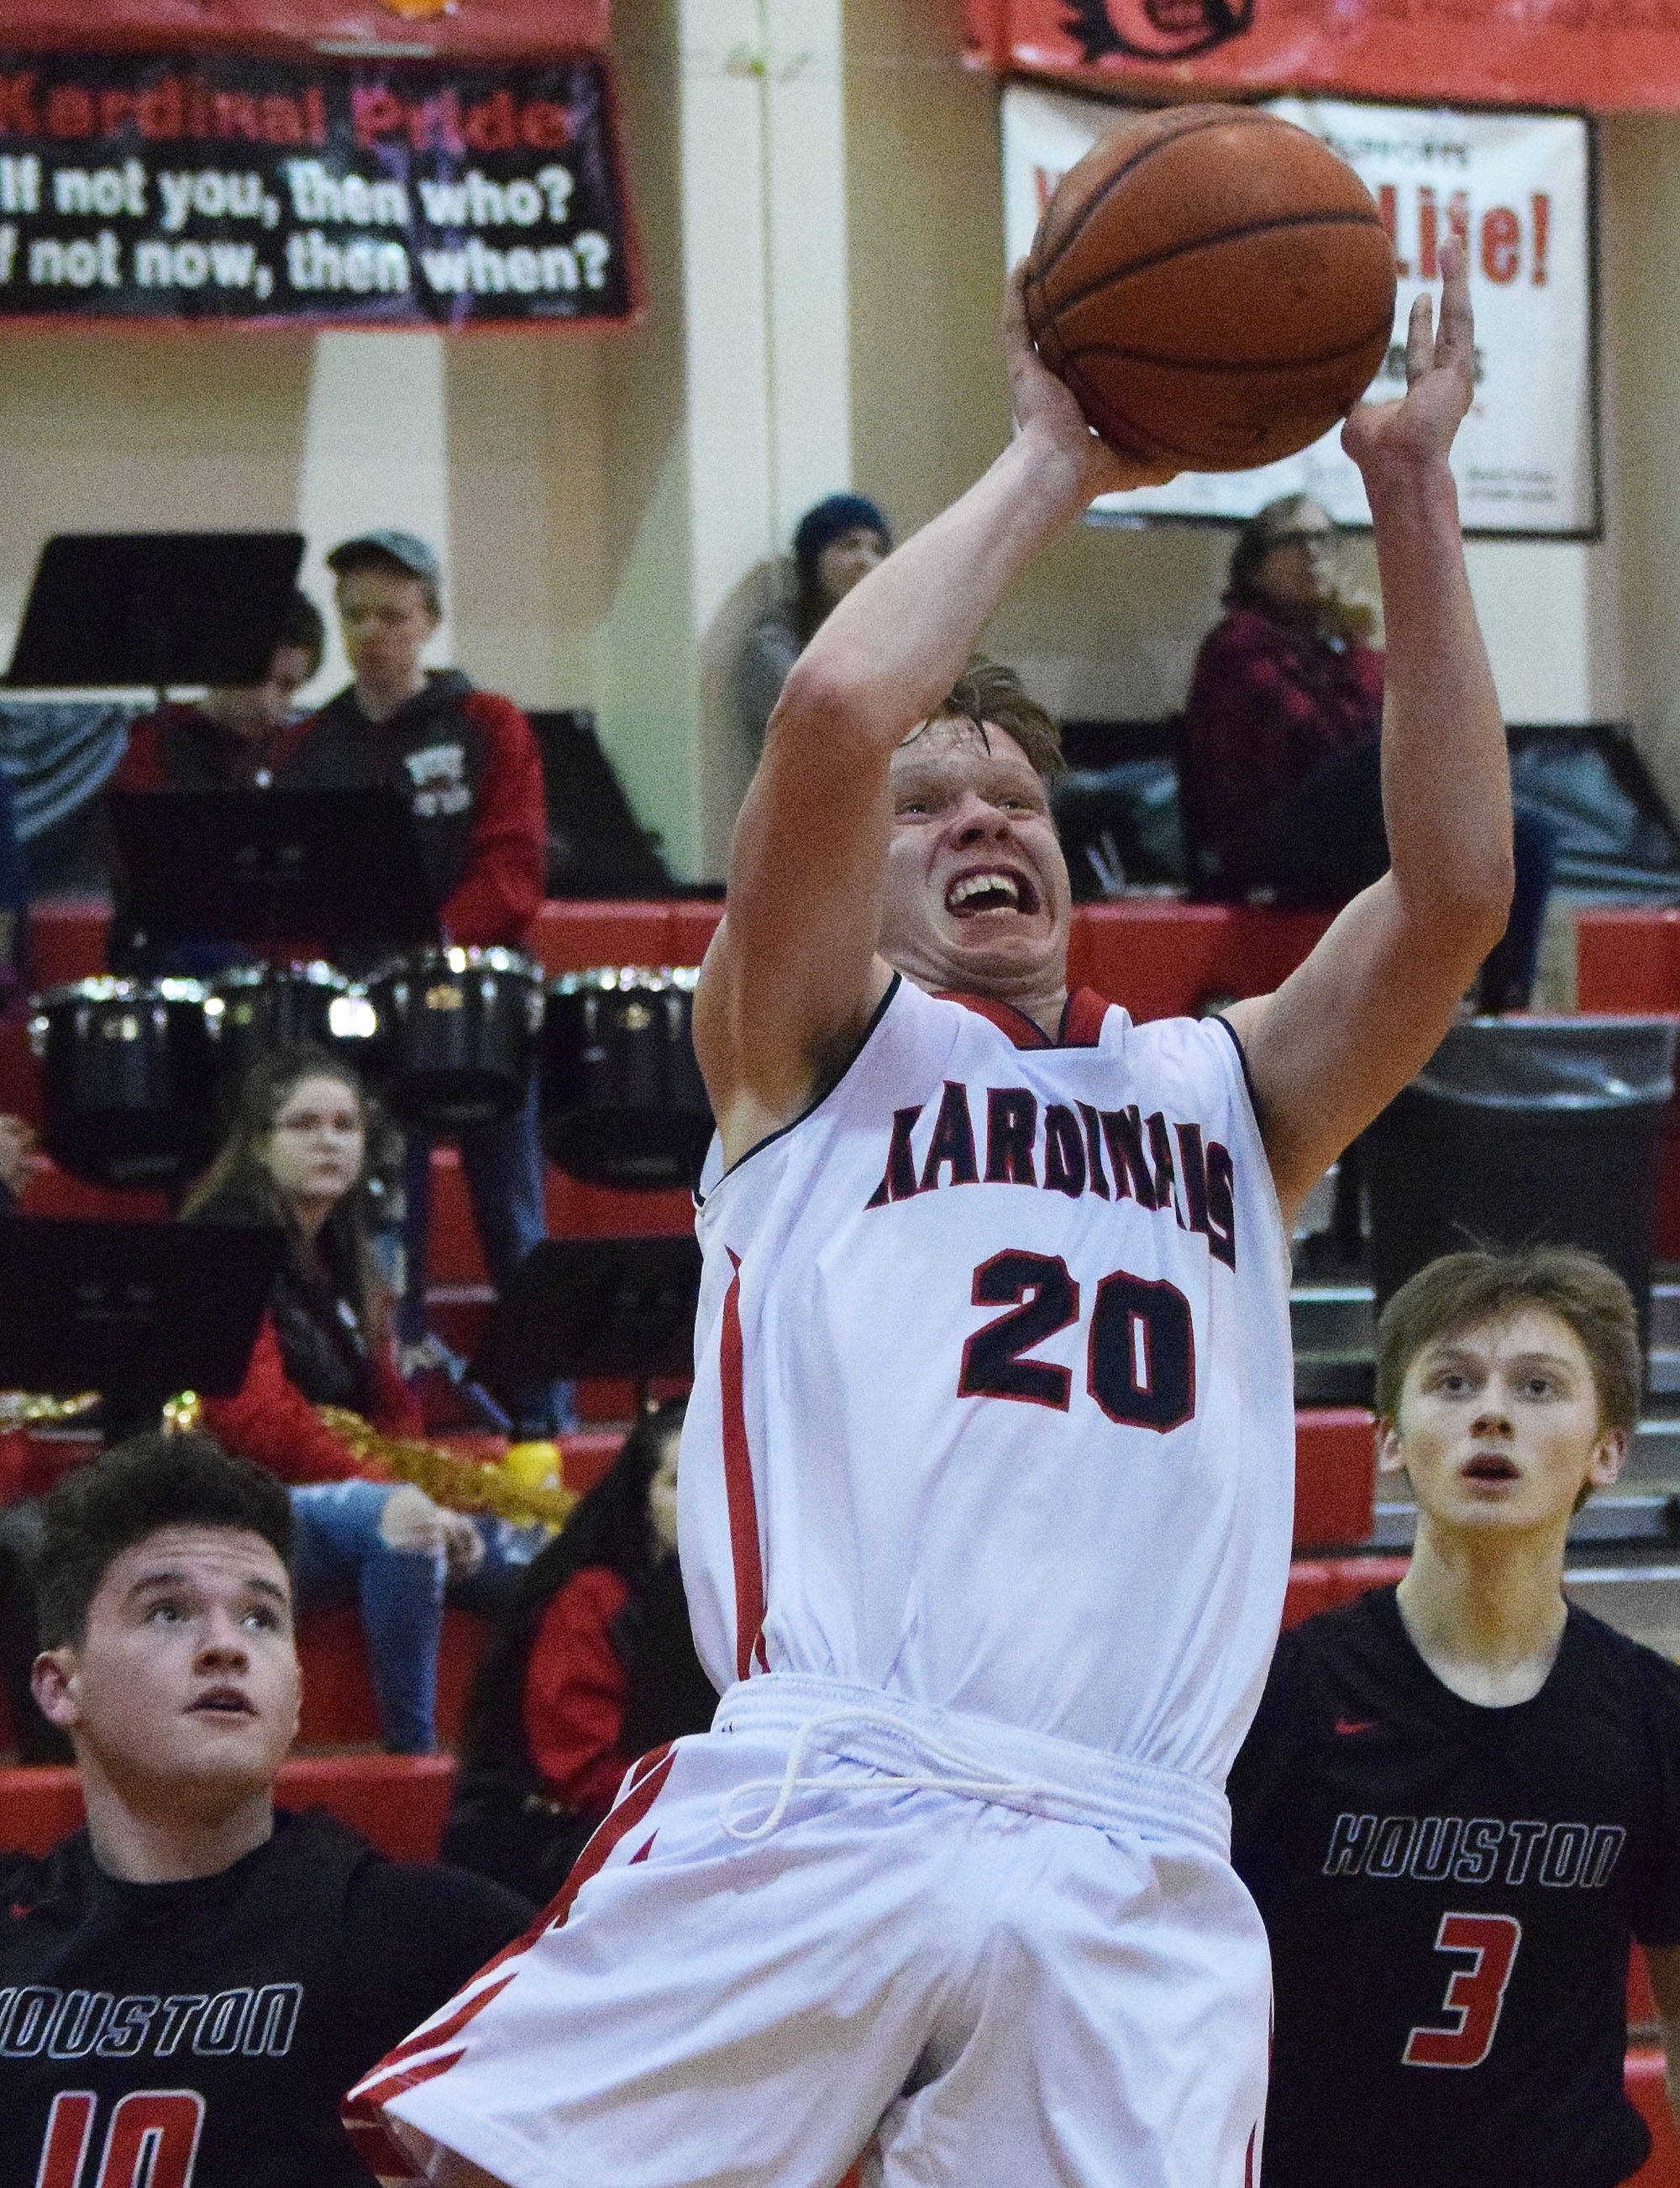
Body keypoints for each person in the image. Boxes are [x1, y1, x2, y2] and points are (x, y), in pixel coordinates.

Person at [351, 245, 1515, 2188]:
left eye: (1014, 802)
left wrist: (1405, 487)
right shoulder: (804, 1046)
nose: (981, 822)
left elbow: (1456, 892)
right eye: (929, 807)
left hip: (1140, 1844)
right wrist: (1052, 457)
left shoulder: (1221, 1090)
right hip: (837, 1782)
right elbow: (824, 715)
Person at [1228, 1246, 1680, 2187]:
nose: (1490, 1411)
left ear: (1607, 1448)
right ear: (1389, 1438)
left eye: (1538, 1385)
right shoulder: (1280, 1698)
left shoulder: (1651, 1718)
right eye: (1451, 1380)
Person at [1, 1430, 532, 2187]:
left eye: (261, 1618)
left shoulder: (437, 1941)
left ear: (296, 1695)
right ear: (60, 1686)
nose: (227, 1646)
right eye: (166, 1612)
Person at [276, 531, 562, 1434]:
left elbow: (514, 869)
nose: (371, 632)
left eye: (392, 614)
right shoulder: (312, 746)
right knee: (383, 1231)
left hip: (480, 1002)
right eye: (354, 614)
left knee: (512, 1222)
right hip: (363, 1016)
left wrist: (434, 944)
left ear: (430, 620)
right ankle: (391, 1419)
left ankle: (542, 1424)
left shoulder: (487, 724)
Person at [184, 1045, 481, 1753]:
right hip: (240, 1501)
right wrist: (398, 1491)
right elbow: (256, 1422)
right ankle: (414, 1758)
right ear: (259, 1143)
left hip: (338, 1497)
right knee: (407, 1519)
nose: (330, 1141)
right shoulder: (222, 1239)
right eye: (305, 1124)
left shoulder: (344, 1245)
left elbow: (392, 1404)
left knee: (532, 1553)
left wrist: (417, 1479)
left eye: (346, 1125)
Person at [1179, 492, 1556, 1010]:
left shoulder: (1343, 644)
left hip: (1358, 826)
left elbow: (1392, 724)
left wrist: (1354, 642)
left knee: (1529, 831)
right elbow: (1319, 737)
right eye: (1293, 541)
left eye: (1322, 539)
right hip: (1269, 840)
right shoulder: (1237, 646)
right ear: (1257, 566)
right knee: (1394, 748)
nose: (1312, 552)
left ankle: (1505, 1003)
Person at [444, 1399, 716, 1903]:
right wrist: (710, 1799)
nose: (703, 1501)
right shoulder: (591, 1597)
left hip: (680, 1816)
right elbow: (578, 1771)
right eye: (679, 1483)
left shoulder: (744, 1598)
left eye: (716, 1480)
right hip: (560, 1838)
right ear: (642, 1500)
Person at [113, 589, 326, 795]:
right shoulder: (144, 746)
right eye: (255, 676)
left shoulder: (298, 754)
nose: (266, 702)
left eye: (286, 686)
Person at [735, 493, 892, 758]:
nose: (865, 560)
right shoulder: (775, 645)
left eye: (876, 550)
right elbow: (839, 726)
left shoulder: (886, 638)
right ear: (813, 560)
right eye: (848, 545)